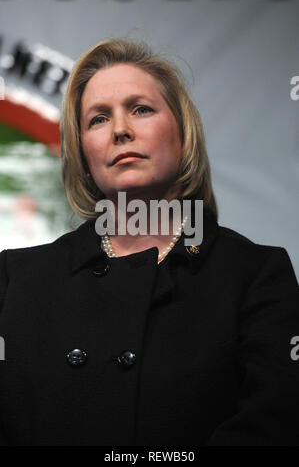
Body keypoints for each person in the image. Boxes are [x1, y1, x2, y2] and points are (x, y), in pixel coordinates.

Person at [0, 37, 299, 447]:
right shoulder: (15, 280)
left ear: (183, 134)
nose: (121, 130)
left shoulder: (257, 276)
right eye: (98, 119)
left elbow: (274, 426)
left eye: (140, 109)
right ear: (85, 158)